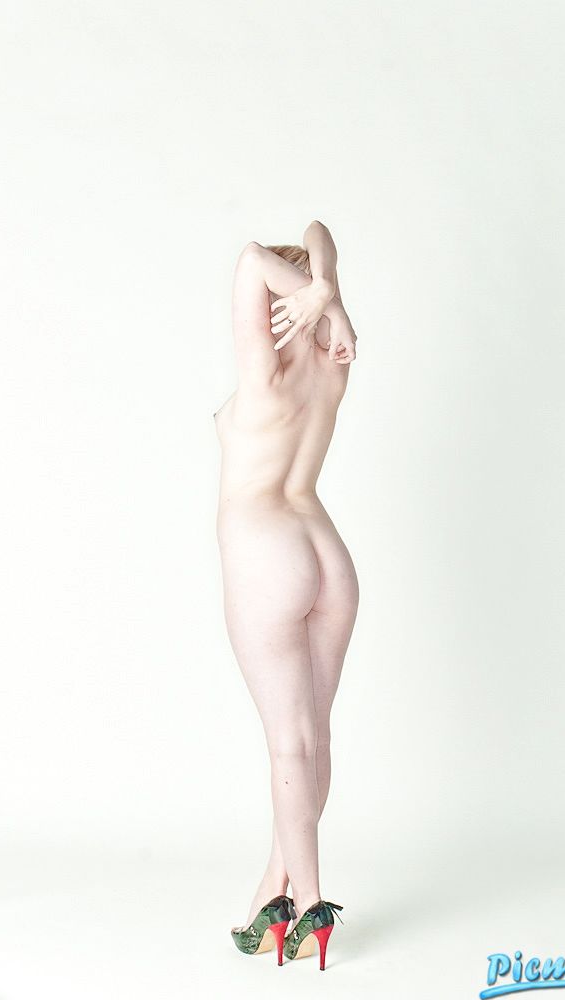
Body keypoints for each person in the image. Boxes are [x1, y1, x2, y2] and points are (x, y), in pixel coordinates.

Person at [214, 220, 359, 971]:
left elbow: (250, 258)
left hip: (267, 550)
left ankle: (311, 904)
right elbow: (318, 231)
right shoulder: (335, 362)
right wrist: (329, 293)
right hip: (326, 548)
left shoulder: (262, 376)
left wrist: (316, 291)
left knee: (287, 742)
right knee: (312, 738)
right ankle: (276, 890)